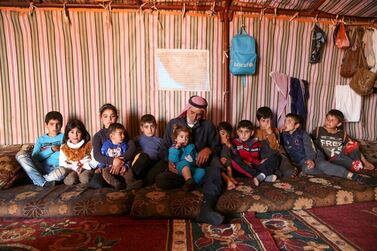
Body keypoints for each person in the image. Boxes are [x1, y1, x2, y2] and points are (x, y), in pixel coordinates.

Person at [154, 95, 224, 225]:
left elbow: (217, 147)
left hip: (199, 168)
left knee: (215, 173)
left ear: (203, 114)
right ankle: (190, 182)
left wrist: (208, 150)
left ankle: (206, 210)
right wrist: (169, 162)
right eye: (192, 112)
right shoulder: (173, 124)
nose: (195, 117)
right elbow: (163, 149)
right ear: (187, 109)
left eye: (199, 114)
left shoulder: (208, 126)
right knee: (161, 179)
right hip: (179, 169)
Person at [281, 113, 376, 185]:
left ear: (297, 125)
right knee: (307, 170)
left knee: (322, 164)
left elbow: (310, 147)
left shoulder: (303, 134)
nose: (286, 123)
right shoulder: (282, 134)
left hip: (315, 155)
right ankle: (337, 171)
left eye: (289, 121)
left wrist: (310, 159)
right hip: (302, 162)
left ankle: (355, 177)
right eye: (285, 121)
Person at [92, 103, 136, 188]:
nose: (109, 119)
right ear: (101, 118)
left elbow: (132, 147)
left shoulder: (123, 133)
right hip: (107, 166)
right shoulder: (98, 136)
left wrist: (121, 161)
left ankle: (127, 181)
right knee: (96, 183)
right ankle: (116, 182)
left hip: (122, 165)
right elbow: (97, 155)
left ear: (117, 117)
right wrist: (112, 161)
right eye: (105, 116)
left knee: (132, 171)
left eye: (112, 116)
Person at [15, 111, 66, 187]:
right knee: (20, 154)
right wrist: (51, 150)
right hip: (41, 168)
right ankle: (42, 182)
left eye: (57, 124)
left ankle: (39, 180)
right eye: (52, 124)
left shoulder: (65, 137)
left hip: (57, 169)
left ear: (61, 125)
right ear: (46, 125)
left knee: (63, 171)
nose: (55, 127)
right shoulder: (41, 139)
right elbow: (35, 157)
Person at [232, 120, 281, 187]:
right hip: (244, 167)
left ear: (252, 133)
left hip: (257, 166)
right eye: (241, 131)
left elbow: (264, 153)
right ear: (237, 132)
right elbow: (234, 155)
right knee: (234, 160)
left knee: (276, 156)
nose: (243, 135)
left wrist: (262, 161)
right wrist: (243, 161)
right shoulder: (234, 143)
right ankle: (262, 175)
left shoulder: (256, 143)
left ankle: (261, 176)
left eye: (246, 132)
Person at [96, 122, 142, 190]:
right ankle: (116, 184)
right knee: (105, 172)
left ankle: (130, 183)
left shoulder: (124, 145)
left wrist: (125, 166)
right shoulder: (106, 145)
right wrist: (100, 167)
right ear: (112, 136)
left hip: (121, 166)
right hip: (110, 167)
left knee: (129, 171)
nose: (123, 136)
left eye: (123, 133)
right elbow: (102, 156)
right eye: (120, 134)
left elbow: (127, 158)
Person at [254, 106, 297, 178]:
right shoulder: (255, 132)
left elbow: (275, 147)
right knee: (270, 170)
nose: (267, 123)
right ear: (258, 121)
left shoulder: (275, 131)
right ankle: (273, 172)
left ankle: (282, 170)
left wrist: (270, 133)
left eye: (269, 120)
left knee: (289, 173)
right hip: (264, 158)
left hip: (277, 155)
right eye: (263, 121)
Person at [168, 124, 205, 192]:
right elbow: (173, 160)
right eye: (181, 137)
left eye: (186, 137)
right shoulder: (173, 148)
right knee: (185, 165)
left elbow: (195, 155)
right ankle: (189, 180)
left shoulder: (191, 146)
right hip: (180, 167)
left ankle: (191, 184)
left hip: (191, 167)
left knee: (201, 171)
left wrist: (197, 160)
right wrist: (177, 149)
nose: (184, 139)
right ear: (176, 138)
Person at [59, 119, 95, 185]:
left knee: (85, 179)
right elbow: (62, 163)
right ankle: (76, 178)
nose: (75, 135)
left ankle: (82, 178)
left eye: (78, 132)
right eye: (72, 132)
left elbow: (95, 160)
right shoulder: (64, 147)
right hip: (72, 169)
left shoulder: (89, 145)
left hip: (86, 168)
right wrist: (75, 168)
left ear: (83, 133)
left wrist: (84, 167)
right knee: (70, 180)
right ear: (67, 134)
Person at [132, 114, 164, 186]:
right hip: (141, 166)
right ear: (141, 128)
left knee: (163, 162)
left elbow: (162, 155)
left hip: (152, 166)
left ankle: (146, 181)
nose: (150, 130)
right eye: (146, 127)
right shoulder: (137, 139)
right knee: (144, 157)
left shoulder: (160, 141)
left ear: (156, 127)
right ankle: (134, 179)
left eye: (152, 126)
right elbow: (130, 151)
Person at [218, 122, 238, 190]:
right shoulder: (216, 143)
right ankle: (228, 178)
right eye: (222, 134)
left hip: (230, 166)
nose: (225, 137)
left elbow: (236, 154)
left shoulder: (231, 143)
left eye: (228, 135)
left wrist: (230, 146)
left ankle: (230, 176)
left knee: (226, 148)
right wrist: (220, 159)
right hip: (220, 165)